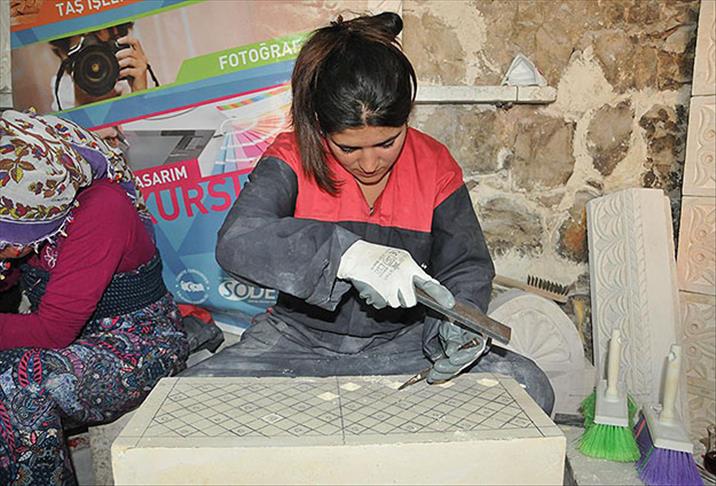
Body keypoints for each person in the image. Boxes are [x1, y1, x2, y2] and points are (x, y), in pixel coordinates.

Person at [184, 12, 554, 414]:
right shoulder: (291, 156)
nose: (370, 162)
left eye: (387, 143)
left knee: (527, 387)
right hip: (294, 342)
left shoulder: (434, 163)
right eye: (348, 148)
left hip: (403, 345)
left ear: (406, 117)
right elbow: (239, 241)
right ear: (320, 127)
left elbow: (465, 265)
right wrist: (348, 255)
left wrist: (456, 325)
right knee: (183, 404)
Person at [0, 109, 189, 485]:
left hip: (135, 345)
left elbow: (53, 330)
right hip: (67, 339)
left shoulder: (102, 208)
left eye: (8, 238)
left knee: (19, 381)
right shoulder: (31, 218)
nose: (9, 247)